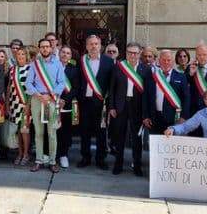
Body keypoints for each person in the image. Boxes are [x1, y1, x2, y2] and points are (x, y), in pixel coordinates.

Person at [108, 42, 150, 176]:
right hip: (121, 106)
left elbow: (147, 93)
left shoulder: (145, 69)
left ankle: (137, 165)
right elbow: (112, 89)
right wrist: (112, 107)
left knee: (136, 138)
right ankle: (118, 164)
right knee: (119, 136)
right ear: (126, 53)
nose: (133, 55)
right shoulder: (118, 67)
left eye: (135, 53)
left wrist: (145, 112)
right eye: (130, 52)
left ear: (139, 54)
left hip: (137, 107)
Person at [26, 39, 65, 173]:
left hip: (51, 100)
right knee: (38, 132)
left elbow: (61, 83)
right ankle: (38, 160)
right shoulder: (34, 65)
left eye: (47, 47)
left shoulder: (58, 64)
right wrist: (38, 95)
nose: (45, 49)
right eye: (42, 47)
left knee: (52, 133)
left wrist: (50, 95)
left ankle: (53, 161)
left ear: (51, 48)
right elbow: (28, 83)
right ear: (39, 49)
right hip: (38, 100)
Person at [77, 35, 113, 170]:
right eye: (90, 44)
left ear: (100, 46)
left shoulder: (108, 62)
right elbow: (77, 81)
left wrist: (109, 103)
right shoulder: (81, 61)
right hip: (84, 102)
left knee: (101, 132)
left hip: (101, 103)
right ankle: (85, 157)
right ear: (86, 46)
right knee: (84, 131)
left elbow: (111, 84)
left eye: (96, 44)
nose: (93, 46)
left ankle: (101, 159)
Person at [148, 49, 190, 135]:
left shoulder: (181, 77)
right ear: (159, 61)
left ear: (173, 62)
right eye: (163, 60)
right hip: (155, 117)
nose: (166, 62)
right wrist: (145, 116)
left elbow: (187, 98)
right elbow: (146, 97)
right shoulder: (152, 76)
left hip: (174, 118)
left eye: (169, 60)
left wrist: (183, 116)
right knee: (155, 145)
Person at [8, 47, 32, 166]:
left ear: (26, 55)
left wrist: (28, 104)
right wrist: (7, 103)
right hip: (14, 103)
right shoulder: (13, 69)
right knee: (17, 130)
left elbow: (33, 88)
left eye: (23, 54)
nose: (20, 56)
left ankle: (26, 154)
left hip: (25, 104)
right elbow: (9, 87)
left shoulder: (31, 68)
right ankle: (20, 153)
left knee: (25, 130)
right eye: (18, 54)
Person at [57, 45, 79, 169]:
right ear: (59, 54)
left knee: (65, 132)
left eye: (68, 53)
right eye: (63, 52)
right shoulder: (53, 67)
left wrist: (65, 100)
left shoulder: (74, 70)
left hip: (67, 105)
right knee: (54, 131)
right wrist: (56, 99)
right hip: (54, 104)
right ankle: (53, 153)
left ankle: (64, 155)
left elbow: (76, 88)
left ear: (70, 56)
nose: (65, 55)